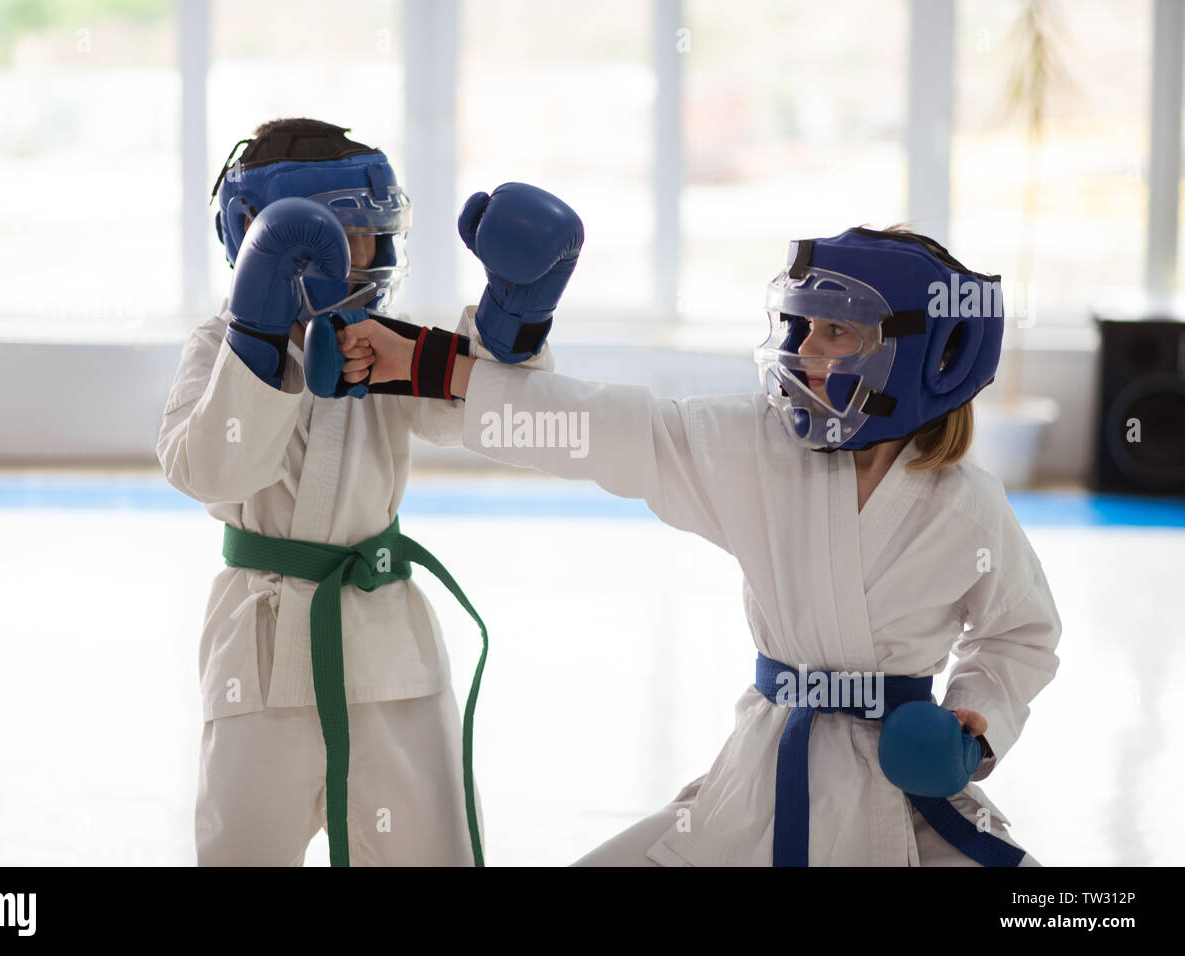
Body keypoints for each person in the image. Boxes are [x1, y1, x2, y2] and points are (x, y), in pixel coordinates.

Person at [341, 224, 1062, 866]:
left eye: (835, 334)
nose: (803, 351)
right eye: (800, 326)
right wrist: (429, 364)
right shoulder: (760, 449)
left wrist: (978, 721)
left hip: (901, 792)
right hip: (761, 780)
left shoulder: (964, 505)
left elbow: (1020, 632)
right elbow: (611, 427)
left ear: (919, 356)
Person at [156, 117, 582, 866]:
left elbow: (495, 414)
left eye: (367, 233)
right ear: (258, 238)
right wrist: (258, 343)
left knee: (429, 850)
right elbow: (210, 472)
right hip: (258, 653)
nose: (354, 256)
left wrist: (514, 321)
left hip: (389, 655)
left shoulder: (386, 337)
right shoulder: (214, 349)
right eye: (331, 232)